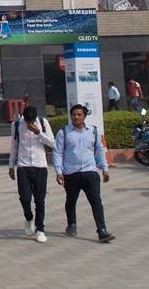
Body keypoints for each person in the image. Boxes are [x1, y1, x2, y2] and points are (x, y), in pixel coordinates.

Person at [53, 104, 114, 243]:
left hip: (90, 172)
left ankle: (102, 230)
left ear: (84, 116)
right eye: (74, 114)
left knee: (96, 201)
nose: (76, 117)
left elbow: (99, 150)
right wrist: (59, 171)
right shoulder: (64, 132)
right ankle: (72, 224)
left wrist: (104, 168)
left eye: (79, 114)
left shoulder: (93, 131)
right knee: (71, 200)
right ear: (70, 116)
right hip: (71, 173)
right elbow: (57, 153)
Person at [8, 105, 54, 243]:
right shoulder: (16, 125)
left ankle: (40, 229)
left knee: (40, 200)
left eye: (32, 121)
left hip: (40, 166)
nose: (30, 124)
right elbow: (14, 145)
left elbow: (53, 144)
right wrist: (11, 165)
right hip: (23, 166)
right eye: (28, 121)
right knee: (25, 197)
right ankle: (28, 218)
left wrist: (38, 132)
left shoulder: (43, 122)